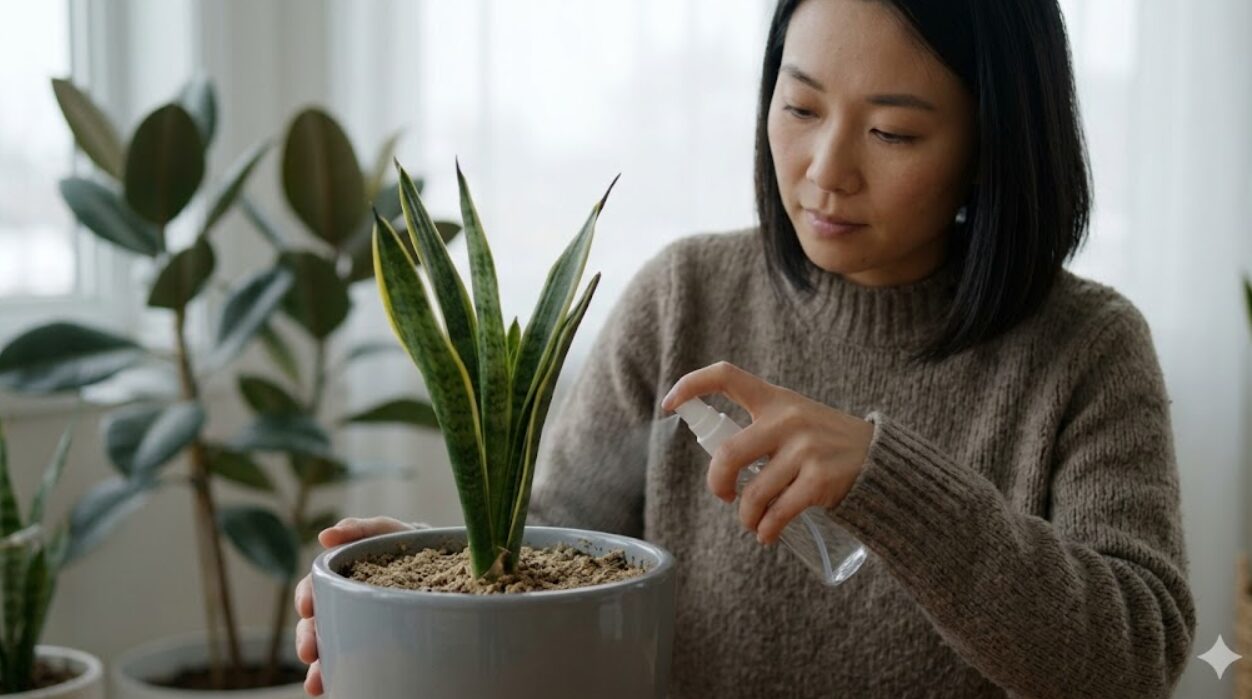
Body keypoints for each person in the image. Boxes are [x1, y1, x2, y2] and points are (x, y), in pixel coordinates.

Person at [293, 0, 1196, 695]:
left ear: (992, 142)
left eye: (892, 132)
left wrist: (890, 483)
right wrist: (429, 591)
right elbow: (551, 557)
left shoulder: (1086, 350)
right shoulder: (683, 298)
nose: (824, 168)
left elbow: (1136, 660)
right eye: (799, 105)